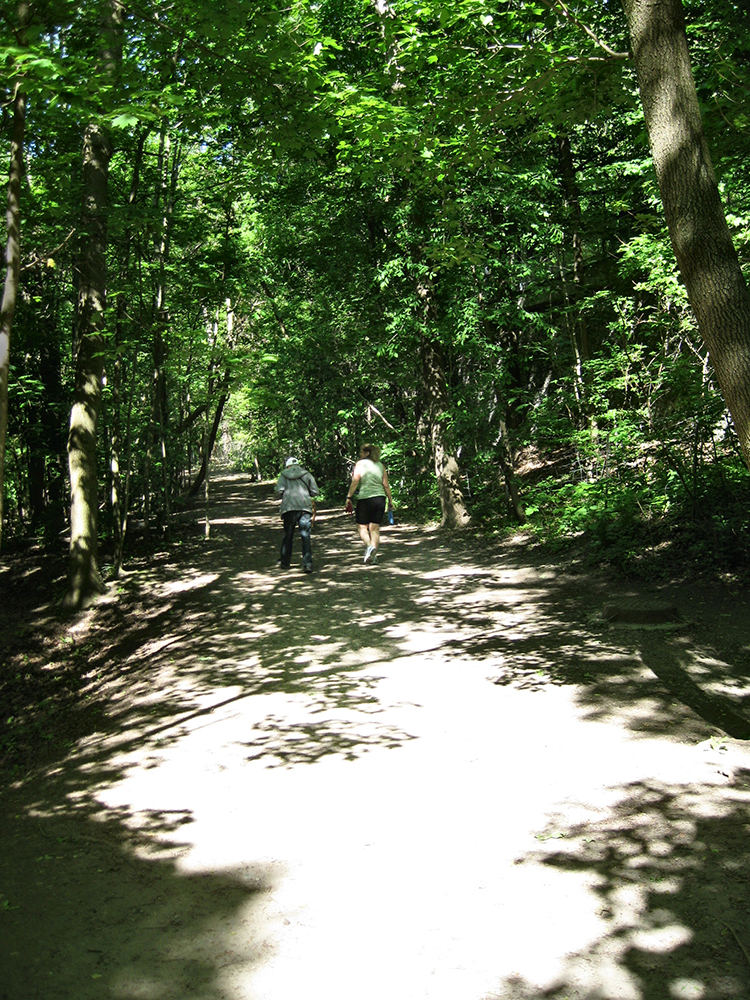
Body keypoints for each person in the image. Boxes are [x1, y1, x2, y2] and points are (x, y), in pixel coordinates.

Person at [344, 443, 393, 564]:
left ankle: (369, 546)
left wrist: (349, 497)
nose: (360, 454)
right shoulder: (381, 466)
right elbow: (385, 485)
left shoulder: (360, 464)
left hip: (365, 498)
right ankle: (374, 556)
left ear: (367, 453)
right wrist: (390, 500)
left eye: (361, 452)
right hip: (380, 499)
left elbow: (355, 482)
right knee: (374, 528)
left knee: (361, 526)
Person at [275, 456, 319, 573]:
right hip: (305, 508)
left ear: (287, 466)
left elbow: (278, 491)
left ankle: (285, 562)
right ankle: (307, 564)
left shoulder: (284, 475)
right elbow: (315, 491)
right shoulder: (307, 474)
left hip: (289, 508)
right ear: (298, 465)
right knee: (305, 536)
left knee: (288, 535)